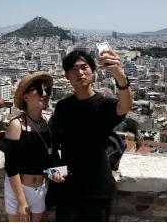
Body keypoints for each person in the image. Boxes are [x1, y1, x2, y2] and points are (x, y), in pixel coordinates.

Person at [49, 49, 133, 222]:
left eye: (84, 67)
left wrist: (120, 76)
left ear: (92, 71)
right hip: (67, 189)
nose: (80, 72)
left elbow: (125, 106)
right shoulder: (63, 107)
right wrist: (54, 171)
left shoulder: (103, 105)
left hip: (97, 190)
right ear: (66, 76)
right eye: (74, 69)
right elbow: (52, 143)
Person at [0, 71, 58, 222]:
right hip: (19, 190)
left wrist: (57, 173)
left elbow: (53, 157)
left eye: (46, 90)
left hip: (41, 189)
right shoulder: (17, 125)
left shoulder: (49, 124)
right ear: (25, 97)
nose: (44, 94)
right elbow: (11, 166)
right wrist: (21, 202)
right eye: (38, 90)